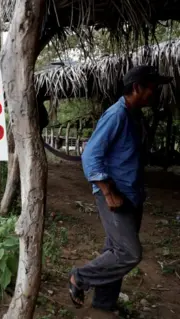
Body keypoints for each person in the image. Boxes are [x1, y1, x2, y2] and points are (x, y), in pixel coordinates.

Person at [68, 65, 172, 312]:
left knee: (114, 250)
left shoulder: (133, 115)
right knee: (129, 253)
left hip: (132, 195)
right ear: (137, 88)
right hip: (115, 195)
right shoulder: (117, 115)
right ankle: (79, 278)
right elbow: (91, 156)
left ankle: (105, 303)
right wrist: (107, 192)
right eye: (152, 88)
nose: (155, 93)